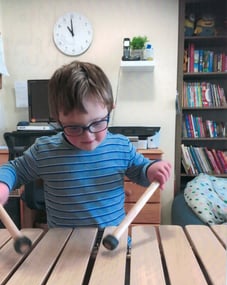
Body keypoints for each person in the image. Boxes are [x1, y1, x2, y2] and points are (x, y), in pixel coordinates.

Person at [0, 61, 171, 233]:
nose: (88, 136)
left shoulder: (121, 146)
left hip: (111, 242)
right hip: (63, 246)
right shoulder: (45, 151)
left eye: (97, 123)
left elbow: (141, 170)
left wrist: (152, 169)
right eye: (74, 127)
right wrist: (3, 184)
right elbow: (15, 170)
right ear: (58, 120)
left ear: (110, 109)